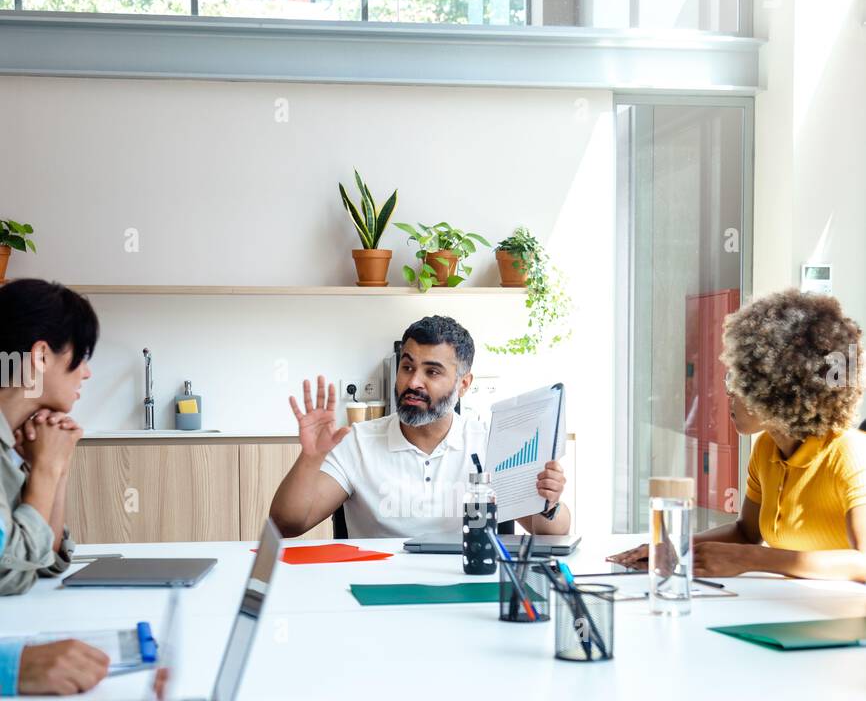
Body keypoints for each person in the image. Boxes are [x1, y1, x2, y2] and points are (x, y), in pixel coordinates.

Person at [610, 289, 866, 582]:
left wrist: (752, 559)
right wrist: (673, 546)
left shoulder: (849, 453)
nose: (729, 393)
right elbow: (747, 532)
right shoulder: (766, 448)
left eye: (741, 381)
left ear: (782, 390)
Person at [269, 315, 571, 540]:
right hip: (375, 592)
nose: (413, 382)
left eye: (432, 372)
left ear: (463, 384)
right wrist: (310, 458)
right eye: (407, 367)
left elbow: (552, 532)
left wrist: (549, 504)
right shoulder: (358, 441)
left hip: (467, 588)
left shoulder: (490, 443)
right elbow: (287, 525)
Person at [0, 278, 98, 594]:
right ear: (41, 356)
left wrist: (57, 463)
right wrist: (45, 470)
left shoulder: (13, 441)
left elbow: (45, 561)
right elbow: (9, 573)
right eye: (82, 355)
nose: (86, 373)